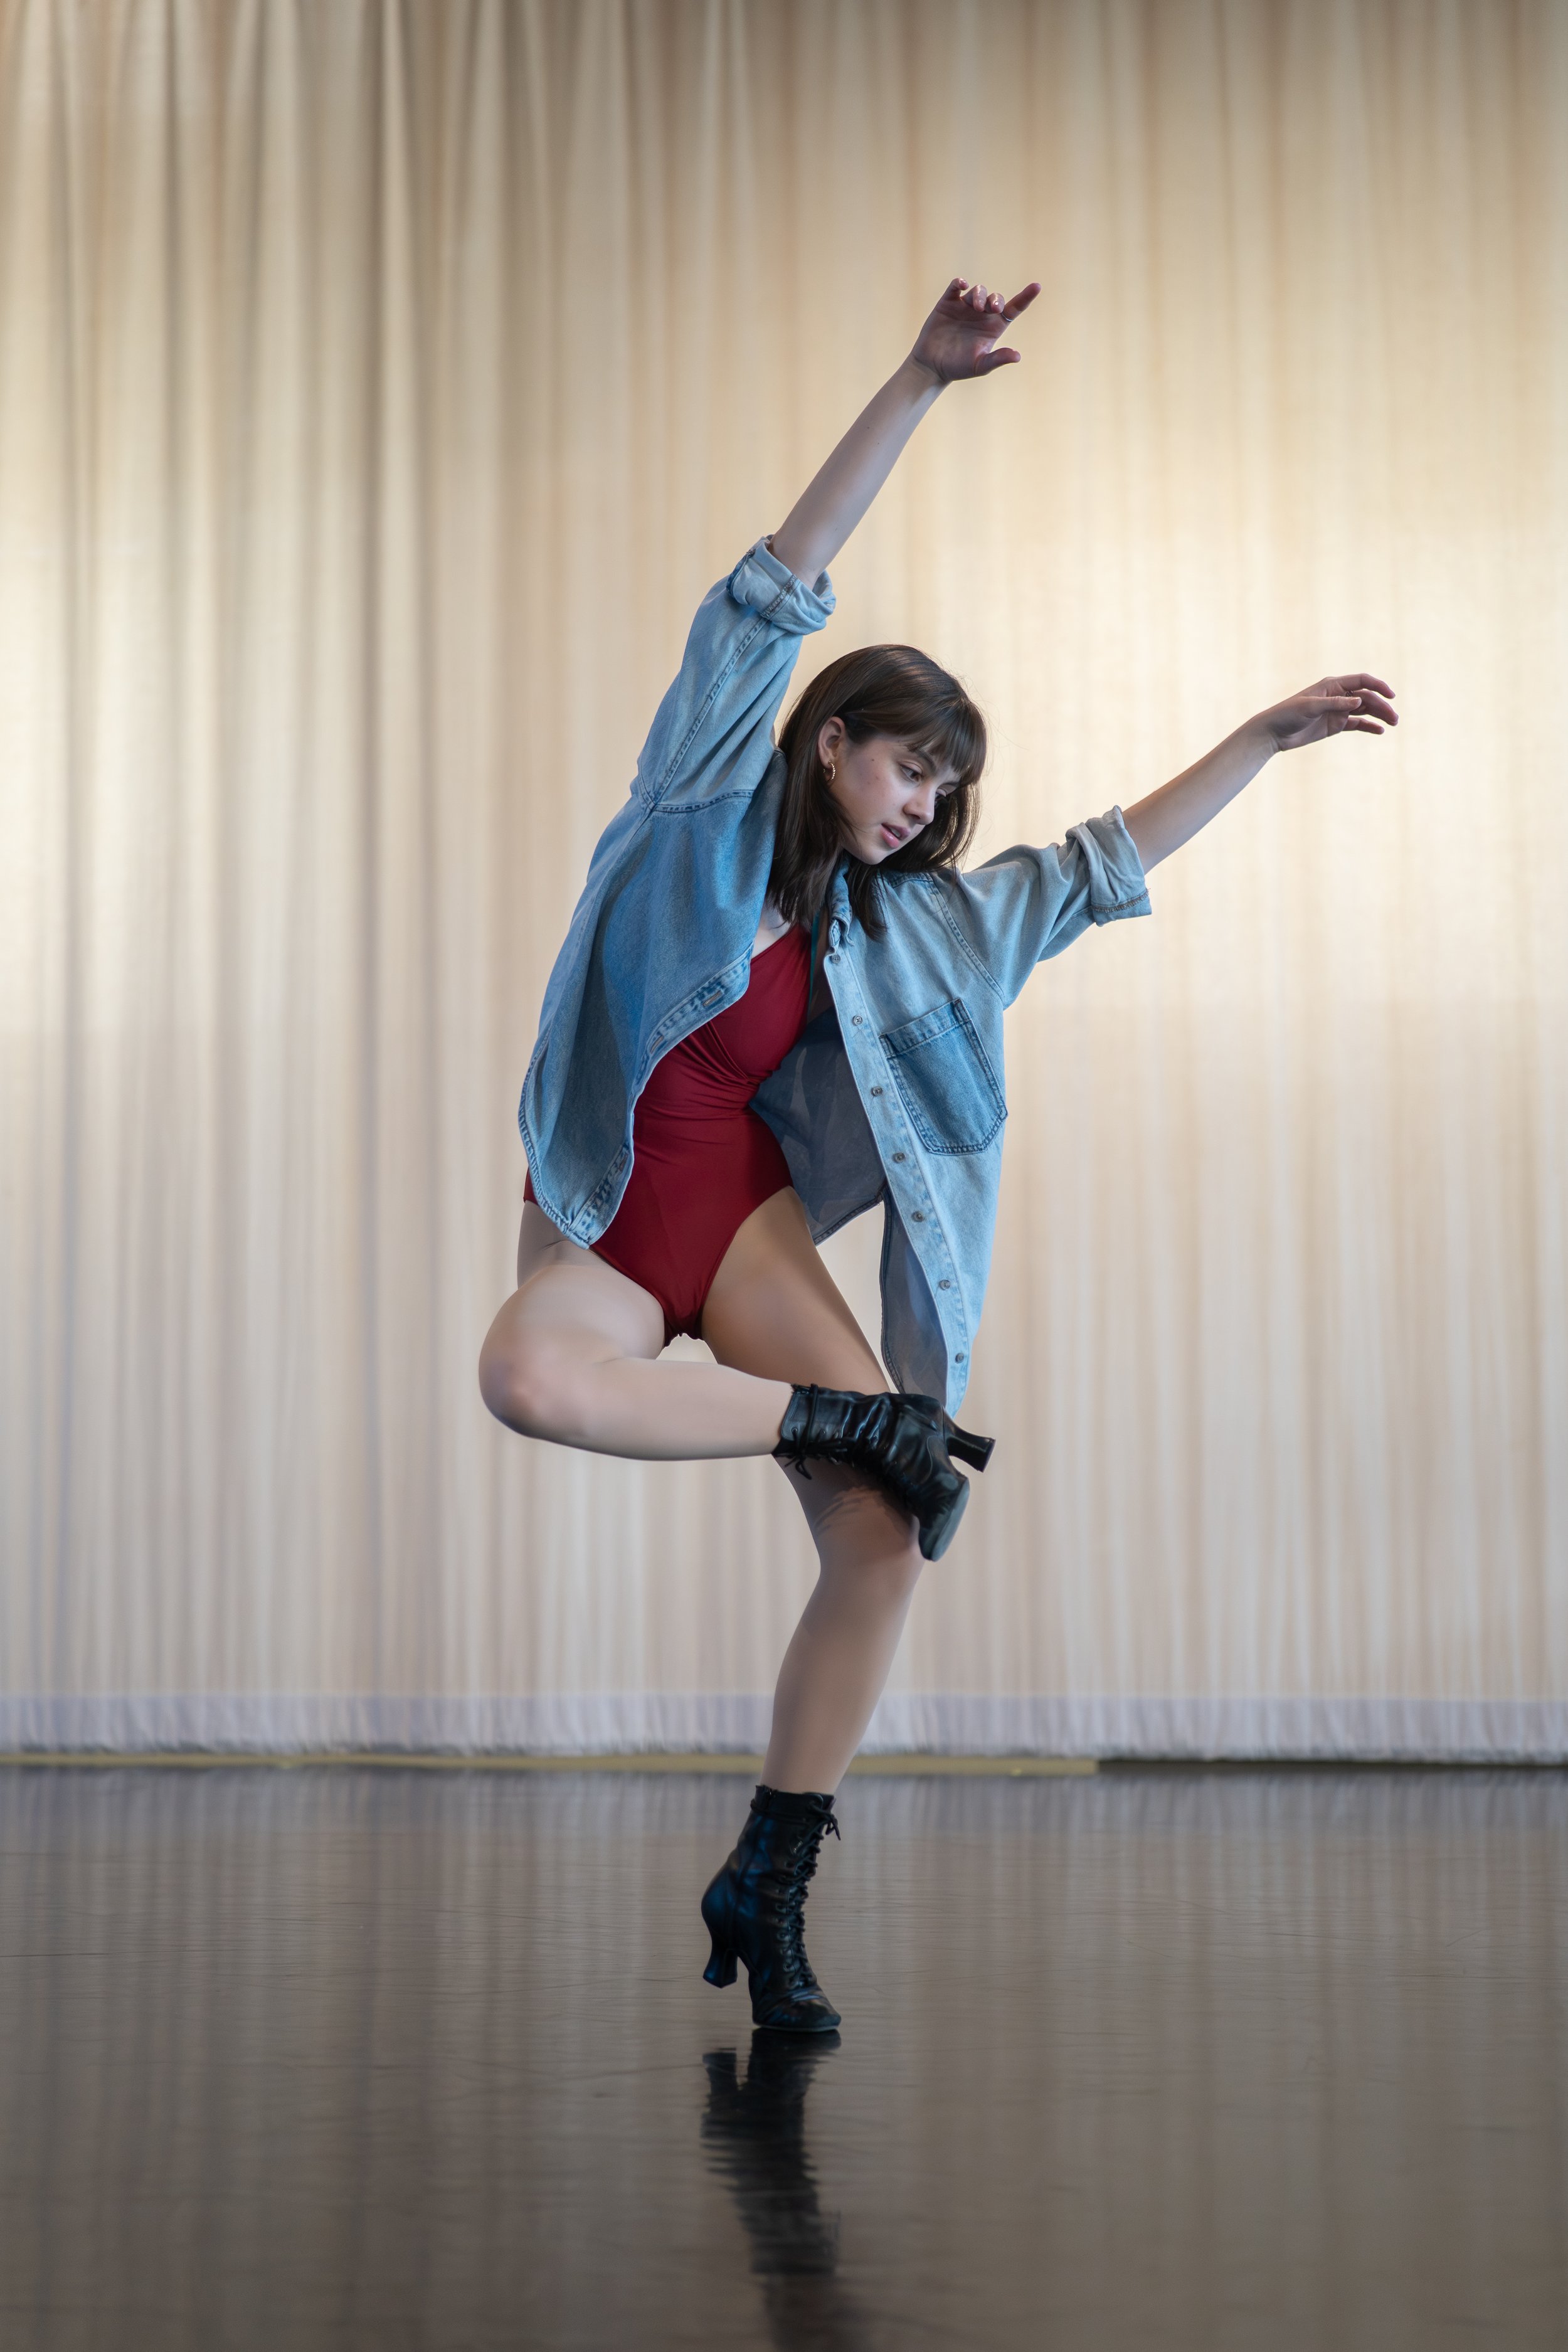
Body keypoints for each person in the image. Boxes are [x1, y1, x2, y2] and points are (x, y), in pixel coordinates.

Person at [479, 277, 1397, 2033]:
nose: (919, 809)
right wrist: (913, 381)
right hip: (604, 1213)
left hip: (735, 1222)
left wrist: (1263, 744)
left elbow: (1087, 872)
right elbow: (774, 584)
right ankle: (839, 1415)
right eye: (906, 769)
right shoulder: (690, 803)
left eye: (940, 794)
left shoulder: (904, 930)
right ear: (830, 736)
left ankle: (770, 1870)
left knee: (885, 1532)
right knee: (525, 1373)